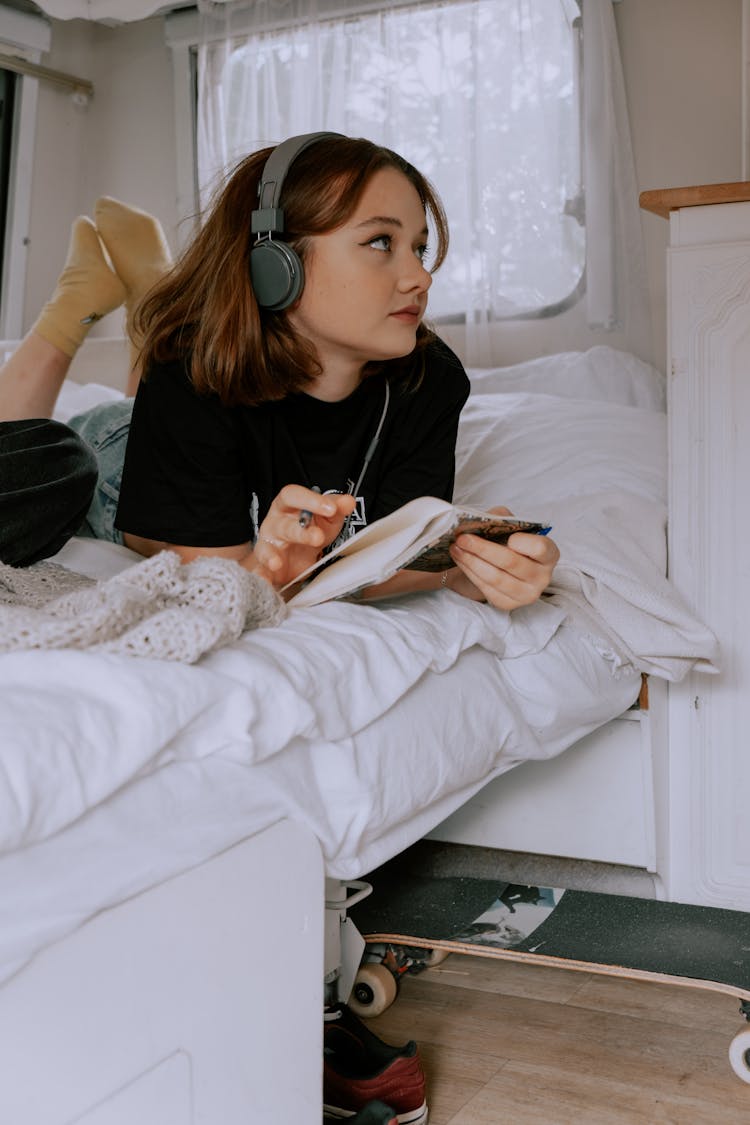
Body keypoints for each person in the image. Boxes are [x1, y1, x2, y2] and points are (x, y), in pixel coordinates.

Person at [0, 133, 558, 608]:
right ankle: (79, 303)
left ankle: (153, 290)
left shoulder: (430, 378)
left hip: (203, 419)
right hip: (122, 450)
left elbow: (387, 561)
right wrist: (280, 570)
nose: (419, 277)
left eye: (419, 247)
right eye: (380, 242)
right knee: (38, 453)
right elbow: (229, 580)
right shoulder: (190, 373)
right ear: (276, 265)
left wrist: (468, 571)